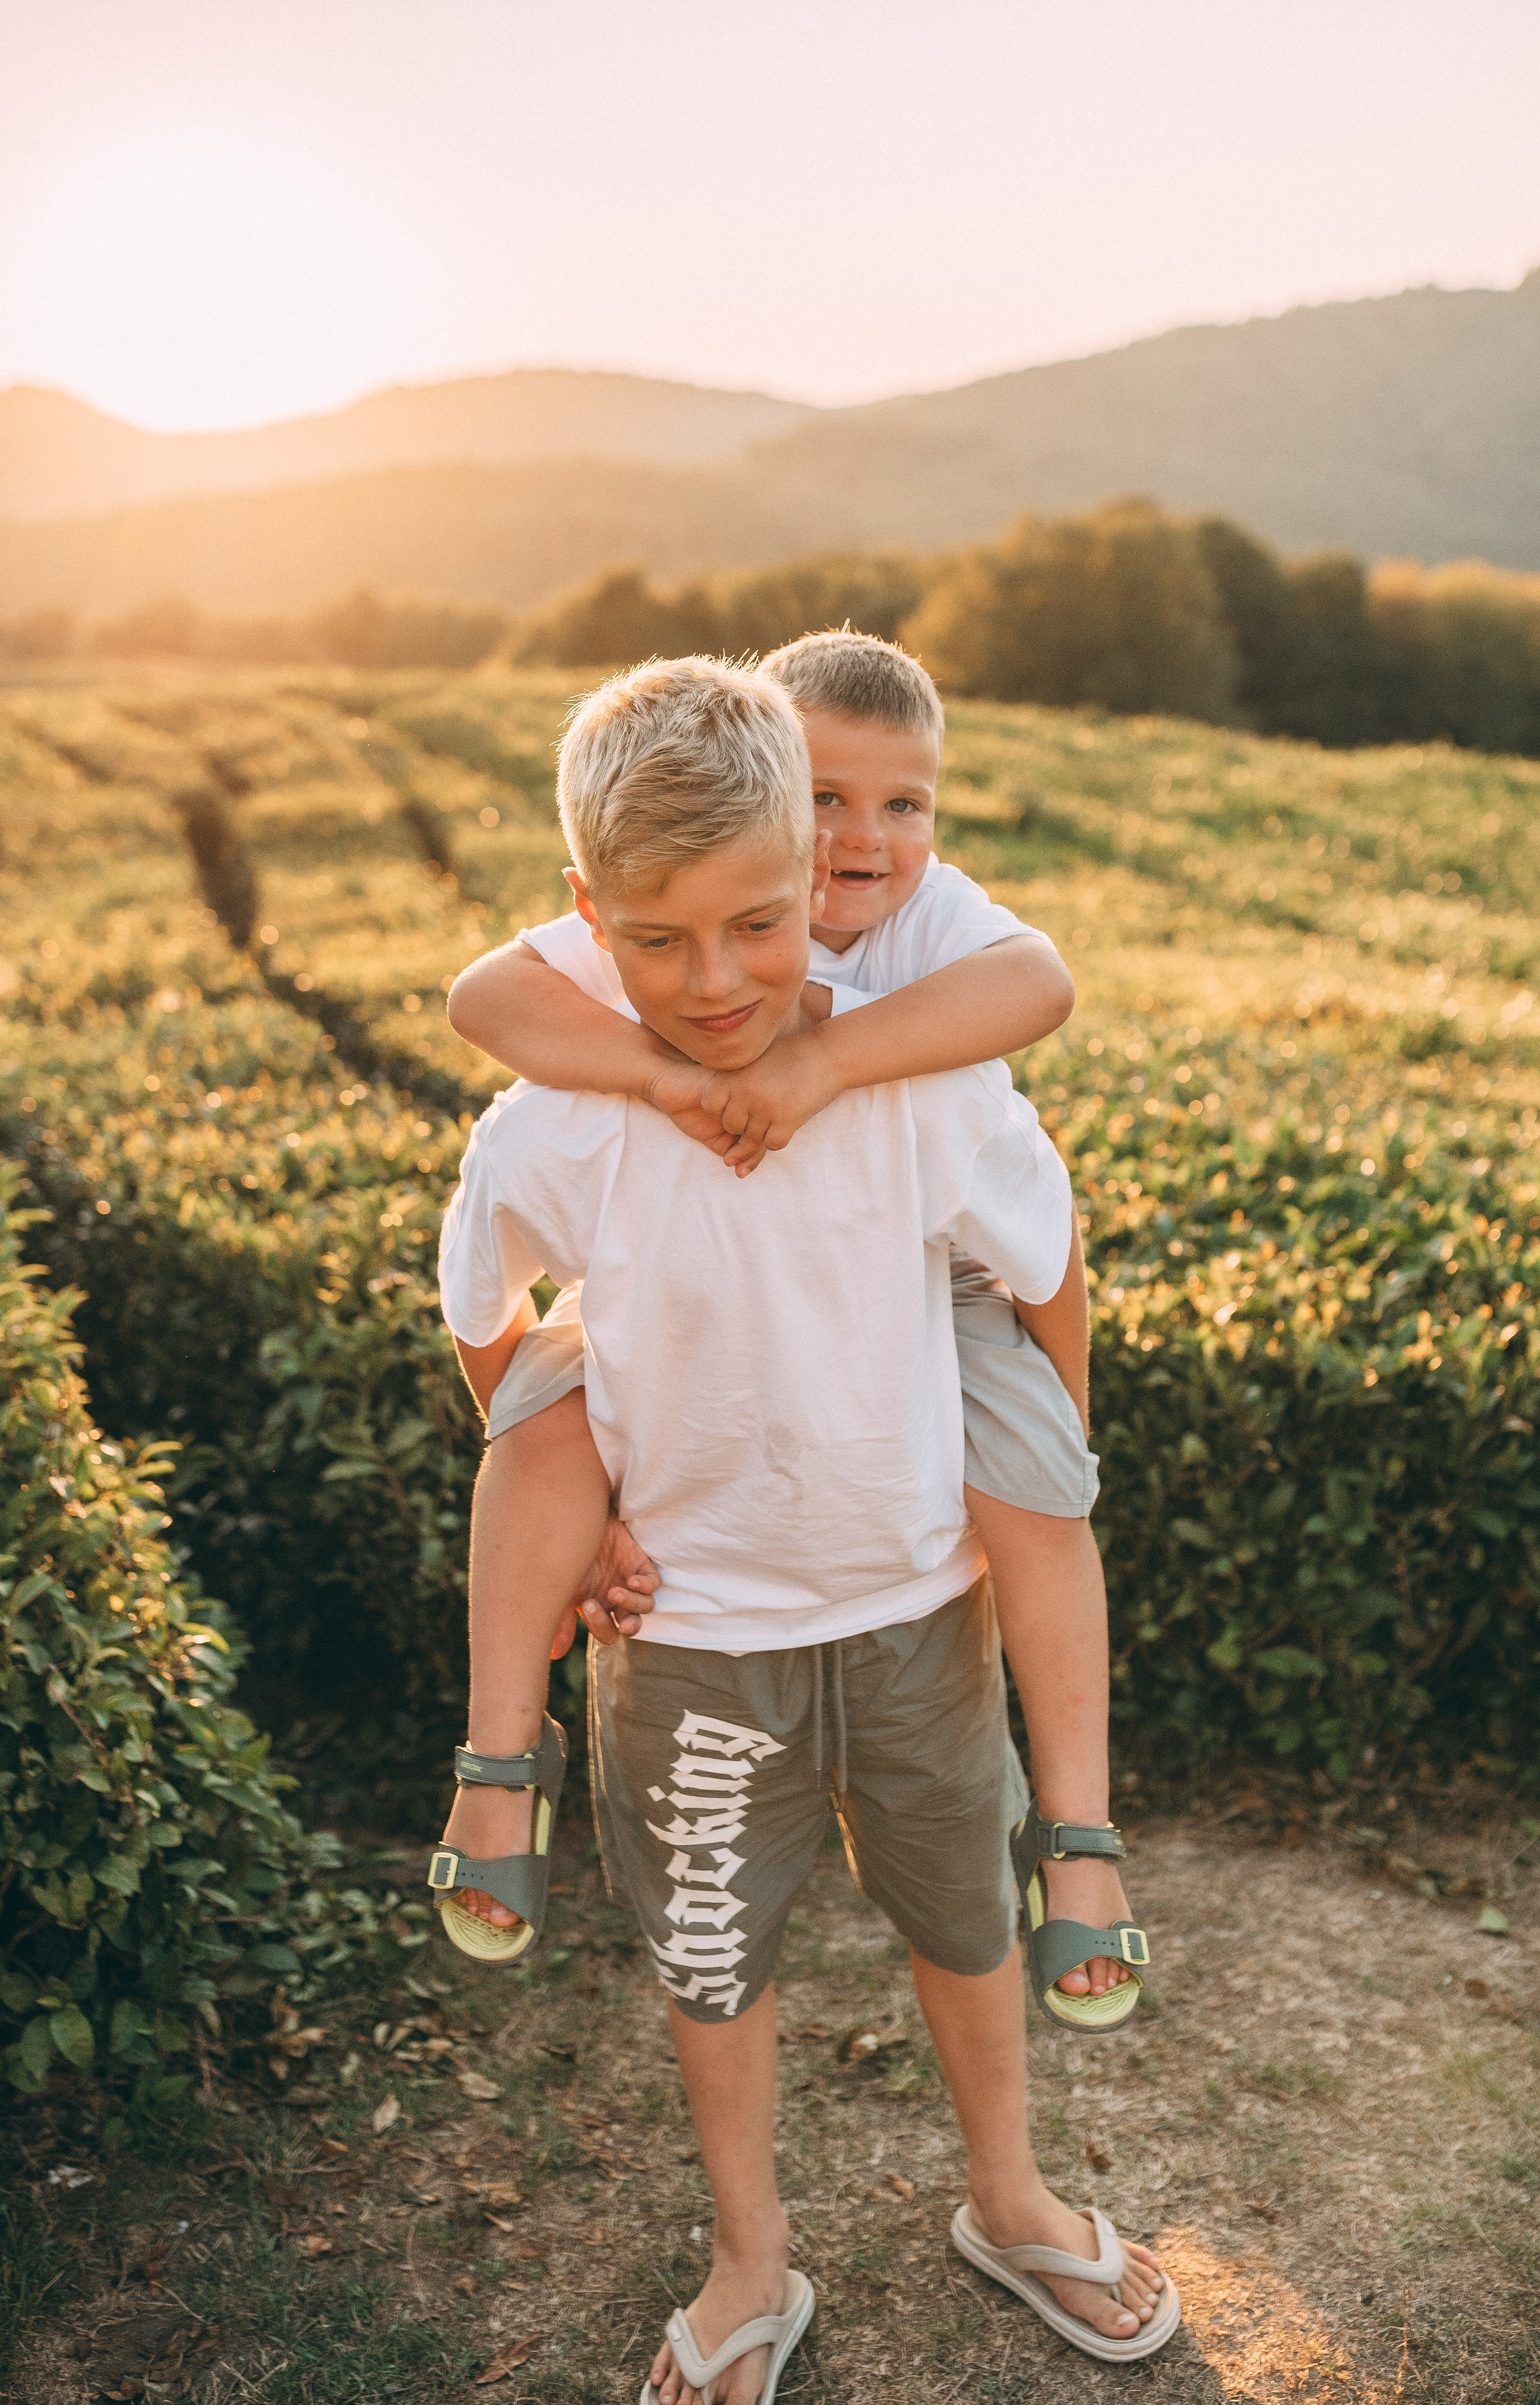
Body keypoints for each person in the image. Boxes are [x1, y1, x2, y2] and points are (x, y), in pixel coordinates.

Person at [433, 656, 1177, 2395]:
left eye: (759, 927)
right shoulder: (567, 1112)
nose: (715, 983)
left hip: (918, 1597)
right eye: (658, 940)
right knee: (711, 1952)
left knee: (964, 1916)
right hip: (690, 1634)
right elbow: (488, 1299)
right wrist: (569, 1487)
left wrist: (1041, 1477)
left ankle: (1011, 2195)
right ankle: (751, 2261)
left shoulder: (913, 1077)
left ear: (817, 898)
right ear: (586, 924)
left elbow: (1045, 1264)